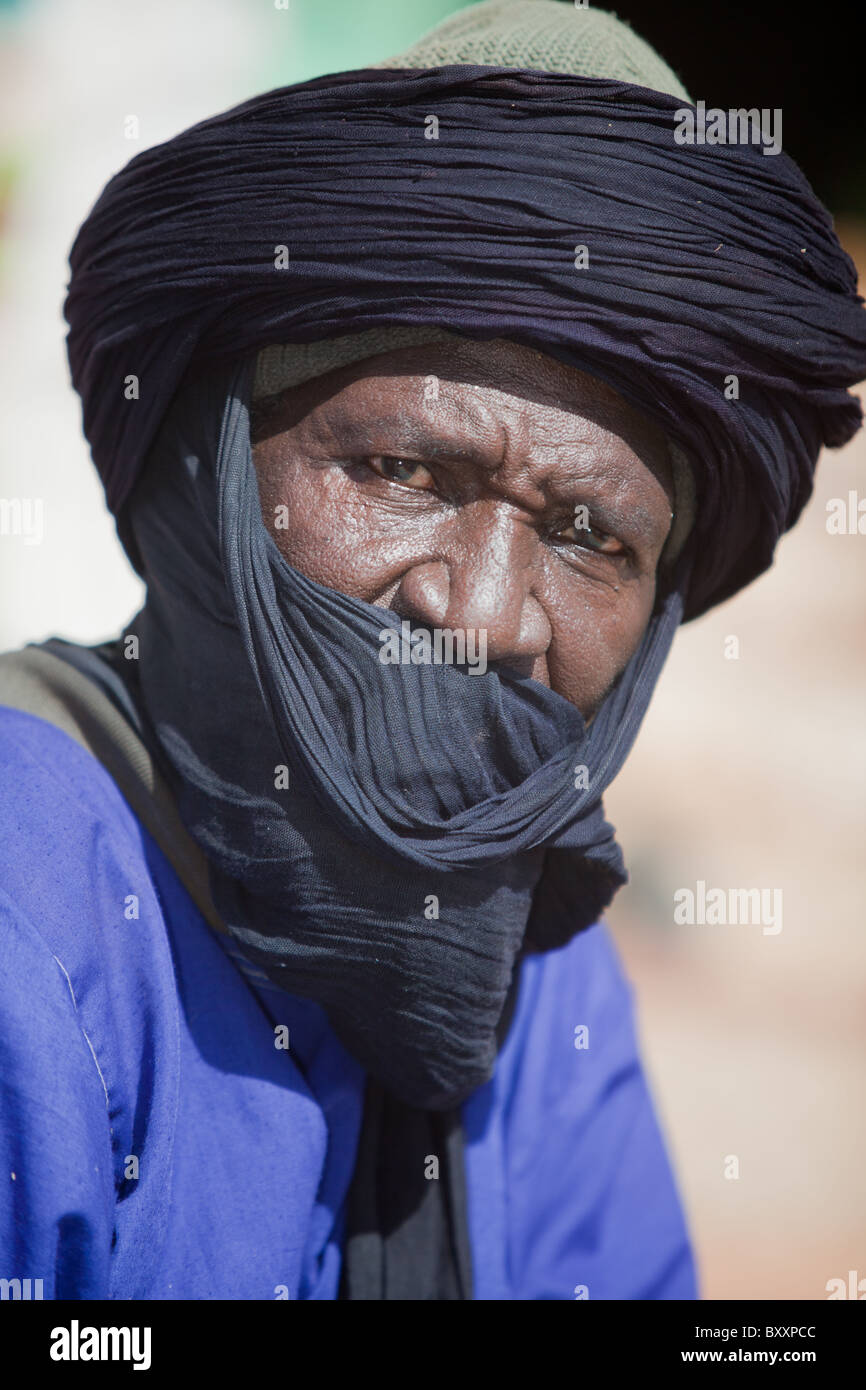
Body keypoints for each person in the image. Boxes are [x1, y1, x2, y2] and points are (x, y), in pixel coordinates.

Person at [1, 0, 864, 1301]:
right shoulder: (31, 916)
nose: (480, 617)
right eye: (401, 467)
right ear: (211, 466)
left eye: (587, 536)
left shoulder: (550, 981)